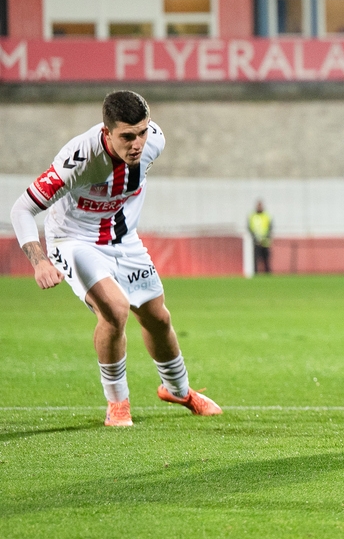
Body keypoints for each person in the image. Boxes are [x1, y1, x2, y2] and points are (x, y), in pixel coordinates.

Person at [9, 91, 222, 427]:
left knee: (158, 318)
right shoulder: (78, 160)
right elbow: (22, 208)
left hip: (124, 241)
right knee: (115, 311)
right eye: (127, 136)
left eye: (142, 132)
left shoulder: (155, 142)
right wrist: (39, 261)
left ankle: (178, 390)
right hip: (73, 241)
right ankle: (118, 404)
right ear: (106, 133)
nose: (137, 143)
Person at [249, 199, 273, 274]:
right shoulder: (252, 216)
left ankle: (267, 274)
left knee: (266, 258)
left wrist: (265, 237)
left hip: (265, 241)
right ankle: (255, 274)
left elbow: (270, 227)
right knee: (256, 259)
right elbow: (250, 228)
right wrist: (255, 238)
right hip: (256, 241)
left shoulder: (267, 216)